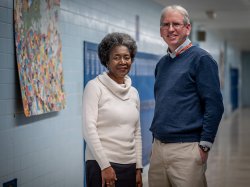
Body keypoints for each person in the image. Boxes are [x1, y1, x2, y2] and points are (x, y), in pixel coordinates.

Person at [148, 5, 224, 187]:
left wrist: (204, 146)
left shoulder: (201, 59)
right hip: (158, 148)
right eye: (166, 25)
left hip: (187, 149)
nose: (171, 29)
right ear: (160, 31)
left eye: (176, 24)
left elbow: (214, 105)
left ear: (188, 28)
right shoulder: (162, 64)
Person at [82, 32, 143, 187]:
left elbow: (136, 131)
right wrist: (105, 165)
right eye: (116, 57)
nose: (123, 61)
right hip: (102, 165)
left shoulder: (133, 92)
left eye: (126, 57)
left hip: (130, 165)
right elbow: (89, 129)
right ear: (106, 61)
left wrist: (138, 167)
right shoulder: (94, 87)